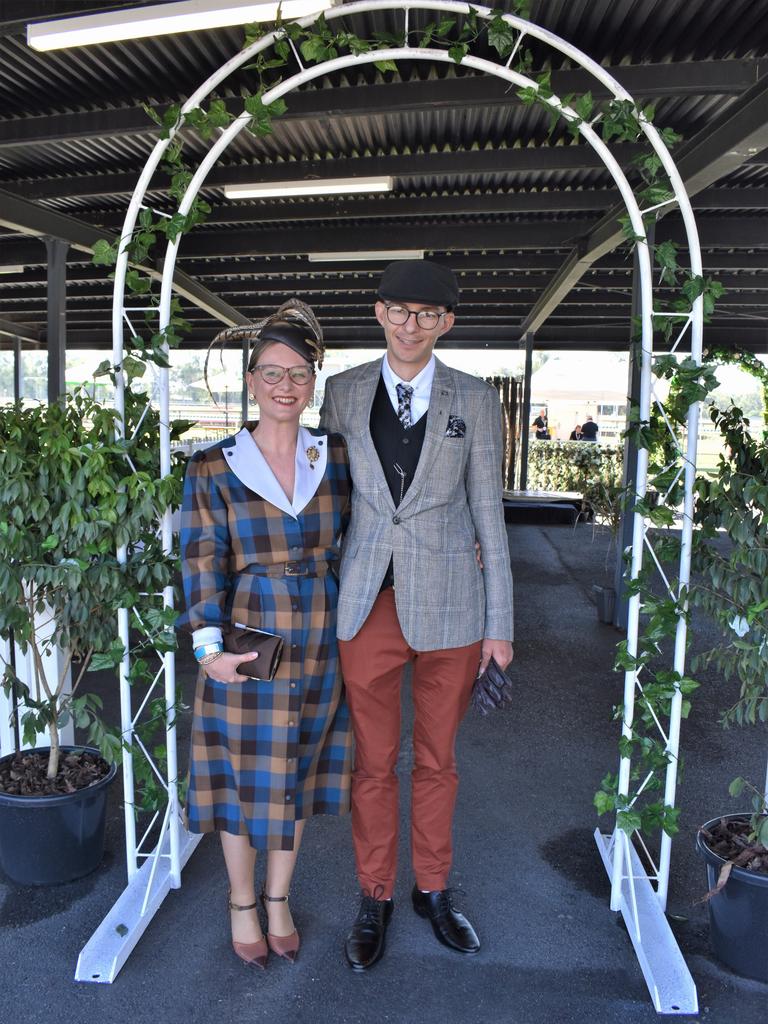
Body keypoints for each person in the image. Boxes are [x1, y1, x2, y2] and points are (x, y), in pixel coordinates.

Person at [320, 260, 514, 971]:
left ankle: (432, 889)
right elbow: (326, 499)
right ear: (378, 314)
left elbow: (490, 513)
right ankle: (374, 895)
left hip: (455, 608)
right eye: (399, 311)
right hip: (366, 599)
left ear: (447, 323)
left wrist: (502, 625)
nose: (411, 325)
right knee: (373, 764)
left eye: (427, 314)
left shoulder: (476, 398)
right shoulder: (341, 394)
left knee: (438, 761)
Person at [178, 301, 352, 969]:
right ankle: (242, 900)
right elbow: (199, 565)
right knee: (241, 778)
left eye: (300, 374)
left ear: (313, 382)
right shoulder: (213, 466)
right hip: (248, 639)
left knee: (298, 771)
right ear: (252, 380)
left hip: (321, 636)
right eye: (273, 373)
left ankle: (280, 897)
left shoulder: (333, 455)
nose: (286, 386)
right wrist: (208, 652)